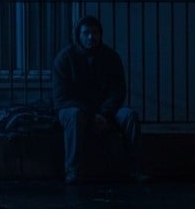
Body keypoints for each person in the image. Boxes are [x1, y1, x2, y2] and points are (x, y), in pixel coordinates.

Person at [52, 15, 147, 184]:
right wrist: (91, 114)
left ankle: (135, 170)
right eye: (86, 32)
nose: (91, 37)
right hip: (75, 110)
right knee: (74, 115)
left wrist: (104, 113)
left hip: (105, 111)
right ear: (78, 35)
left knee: (129, 116)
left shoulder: (111, 57)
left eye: (95, 32)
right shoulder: (64, 58)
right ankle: (73, 171)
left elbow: (118, 91)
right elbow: (61, 98)